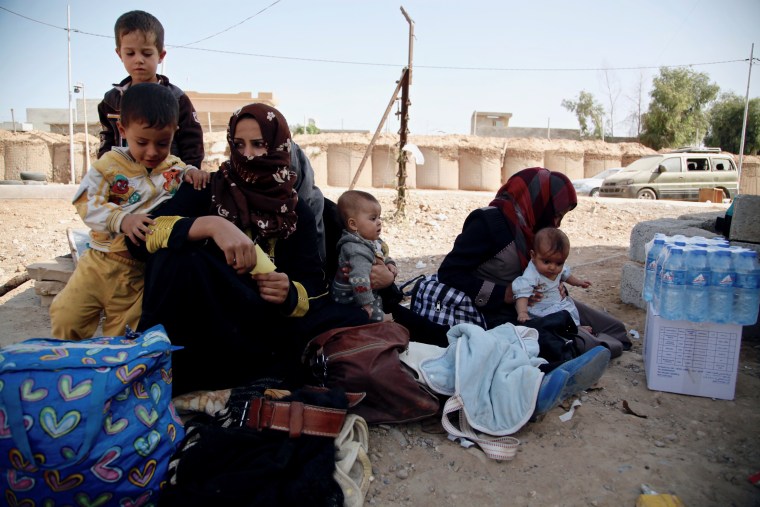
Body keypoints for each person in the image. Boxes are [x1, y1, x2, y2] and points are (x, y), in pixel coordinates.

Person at [130, 103, 367, 395]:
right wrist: (211, 226)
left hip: (257, 326)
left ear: (280, 147)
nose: (248, 154)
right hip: (202, 322)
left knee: (349, 317)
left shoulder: (296, 211)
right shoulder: (207, 188)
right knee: (176, 257)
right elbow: (139, 239)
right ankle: (165, 374)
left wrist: (289, 292)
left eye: (258, 144)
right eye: (239, 144)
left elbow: (314, 287)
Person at [437, 167, 629, 415]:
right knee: (591, 343)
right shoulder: (488, 224)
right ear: (540, 201)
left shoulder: (535, 227)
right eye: (557, 214)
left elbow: (547, 267)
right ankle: (572, 358)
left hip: (545, 304)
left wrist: (557, 283)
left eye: (561, 216)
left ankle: (581, 343)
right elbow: (449, 272)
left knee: (616, 330)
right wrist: (502, 293)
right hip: (504, 311)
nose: (557, 223)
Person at [50, 83, 209, 340]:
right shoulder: (108, 166)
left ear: (174, 133)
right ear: (123, 130)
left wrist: (195, 173)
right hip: (98, 264)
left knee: (125, 335)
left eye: (162, 143)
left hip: (136, 274)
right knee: (67, 317)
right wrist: (122, 219)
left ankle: (115, 376)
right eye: (142, 142)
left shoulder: (173, 167)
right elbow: (85, 201)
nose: (152, 152)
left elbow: (186, 173)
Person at [97, 10, 205, 169]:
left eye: (147, 54)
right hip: (125, 183)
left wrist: (190, 172)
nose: (138, 60)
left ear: (161, 55)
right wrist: (104, 170)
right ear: (119, 54)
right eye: (130, 53)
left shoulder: (176, 99)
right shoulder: (111, 102)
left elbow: (192, 141)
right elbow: (107, 140)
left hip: (167, 182)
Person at [331, 190, 397, 322]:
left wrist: (390, 263)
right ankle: (382, 319)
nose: (379, 222)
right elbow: (359, 279)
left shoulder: (371, 241)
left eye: (379, 217)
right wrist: (366, 304)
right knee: (368, 312)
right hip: (352, 298)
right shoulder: (355, 250)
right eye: (373, 219)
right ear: (353, 224)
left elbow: (381, 255)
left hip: (367, 291)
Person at [513, 227, 590, 326]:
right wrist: (522, 313)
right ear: (533, 255)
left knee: (570, 311)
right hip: (540, 310)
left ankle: (576, 328)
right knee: (552, 323)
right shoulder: (532, 274)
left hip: (557, 304)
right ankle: (574, 331)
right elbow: (522, 294)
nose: (553, 267)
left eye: (559, 263)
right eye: (546, 262)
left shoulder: (559, 268)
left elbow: (567, 275)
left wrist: (578, 282)